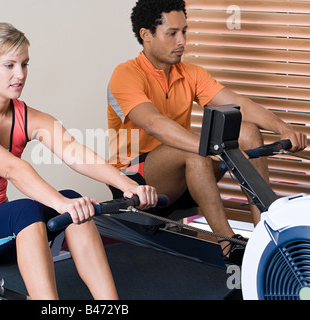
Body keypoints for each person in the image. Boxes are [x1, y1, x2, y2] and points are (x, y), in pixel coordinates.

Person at [0, 22, 157, 300]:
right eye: (9, 65)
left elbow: (74, 152)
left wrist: (127, 185)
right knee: (30, 209)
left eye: (24, 64)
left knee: (72, 198)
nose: (20, 74)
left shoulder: (27, 116)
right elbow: (13, 168)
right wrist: (60, 205)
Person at [107, 0, 307, 264]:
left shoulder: (190, 73)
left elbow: (239, 104)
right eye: (172, 34)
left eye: (184, 32)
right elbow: (154, 124)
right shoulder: (125, 74)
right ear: (146, 35)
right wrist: (210, 148)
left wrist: (283, 128)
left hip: (187, 172)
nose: (182, 41)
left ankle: (265, 235)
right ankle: (229, 246)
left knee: (245, 131)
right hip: (134, 179)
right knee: (195, 150)